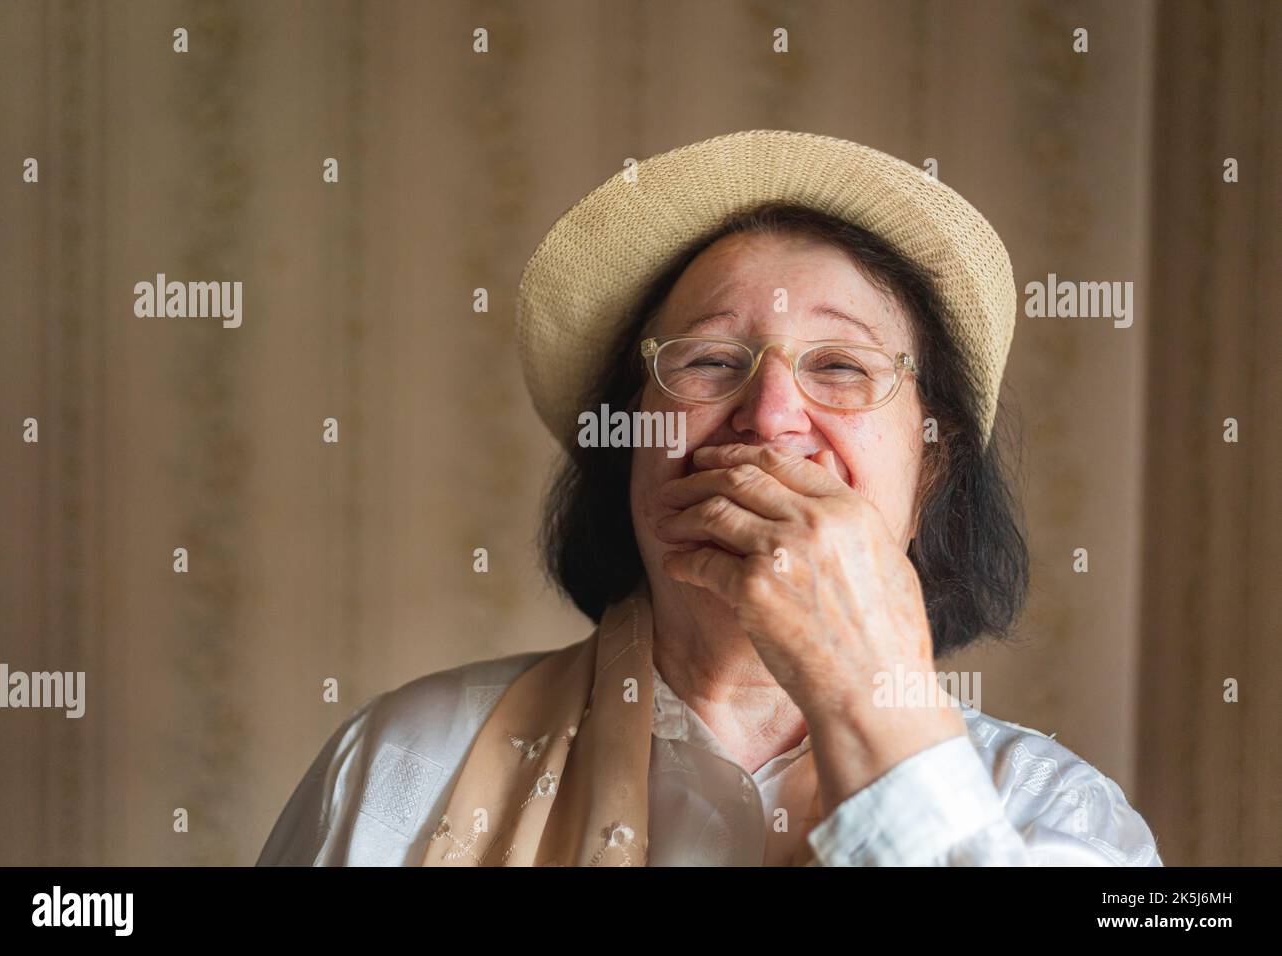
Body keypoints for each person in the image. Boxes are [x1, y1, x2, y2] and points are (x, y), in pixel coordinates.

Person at [257, 130, 1162, 866]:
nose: (769, 419)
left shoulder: (1057, 813)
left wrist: (865, 697)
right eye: (709, 362)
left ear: (930, 472)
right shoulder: (403, 759)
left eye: (841, 366)